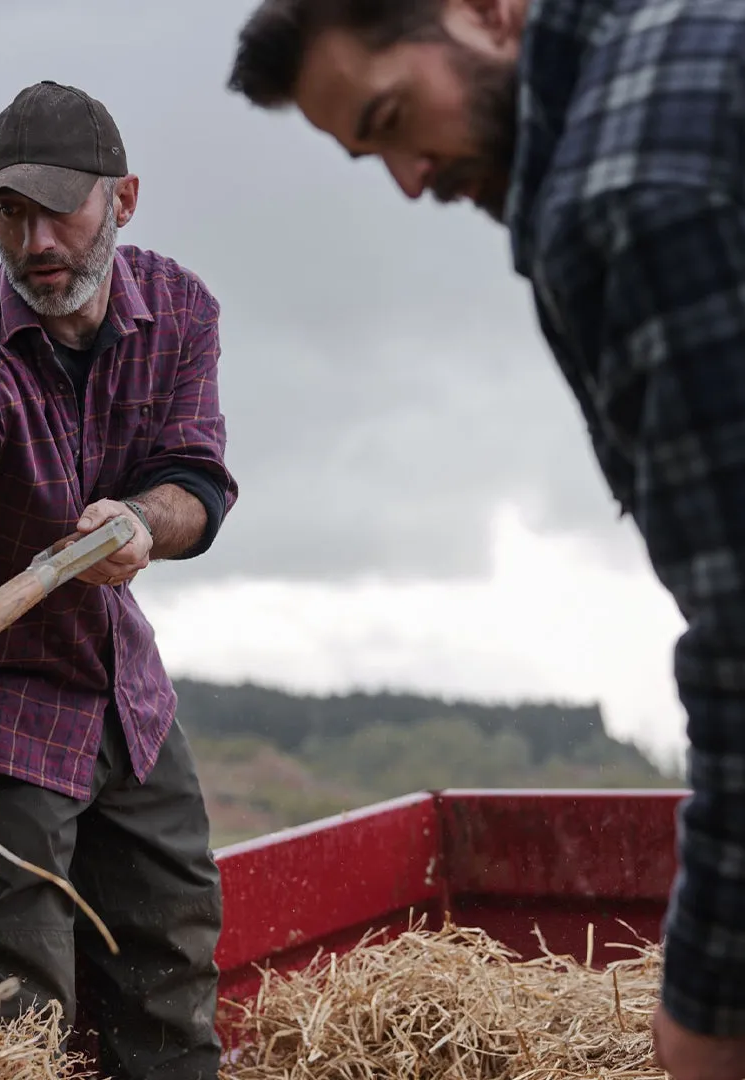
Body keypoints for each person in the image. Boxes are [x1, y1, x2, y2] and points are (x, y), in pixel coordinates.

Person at [225, 1, 745, 1078]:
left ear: (483, 12)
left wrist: (705, 1010)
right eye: (372, 155)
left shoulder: (628, 199)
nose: (411, 179)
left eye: (394, 117)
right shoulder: (695, 31)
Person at [0, 79, 238, 1080]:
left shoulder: (181, 311)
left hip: (123, 695)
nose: (35, 243)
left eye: (58, 208)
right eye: (11, 215)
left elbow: (196, 480)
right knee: (7, 1025)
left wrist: (143, 524)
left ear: (124, 199)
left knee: (174, 966)